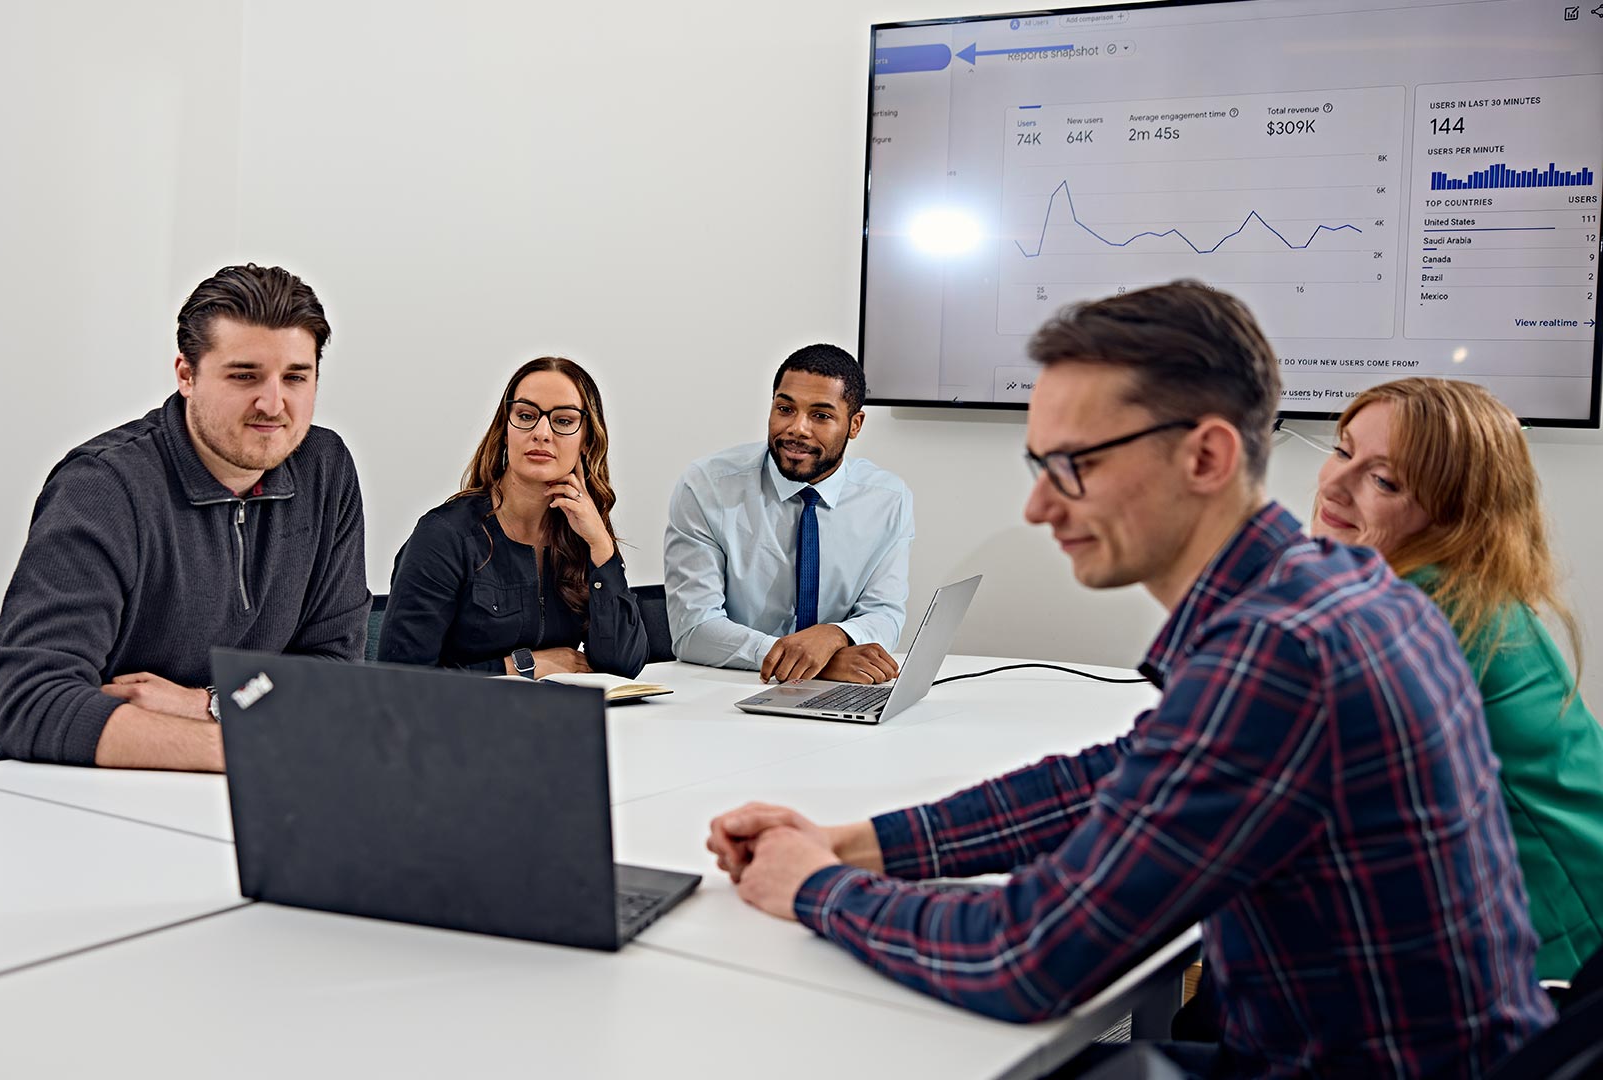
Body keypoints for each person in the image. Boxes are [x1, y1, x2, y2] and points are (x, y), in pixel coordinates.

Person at [706, 282, 1551, 1076]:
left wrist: (818, 887)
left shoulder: (1284, 653)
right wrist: (855, 842)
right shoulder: (1331, 593)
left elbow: (1025, 957)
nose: (1038, 509)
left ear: (1207, 456)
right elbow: (1111, 781)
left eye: (1074, 465)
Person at [0, 264, 370, 772]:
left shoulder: (325, 468)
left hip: (189, 782)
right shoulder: (103, 486)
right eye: (244, 376)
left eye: (295, 377)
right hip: (21, 783)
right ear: (187, 375)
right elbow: (34, 702)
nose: (273, 403)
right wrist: (253, 747)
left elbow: (330, 674)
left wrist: (207, 704)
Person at [1313, 377, 1603, 982]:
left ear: (1455, 517)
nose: (1334, 484)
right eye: (1343, 451)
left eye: (1383, 480)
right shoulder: (1447, 591)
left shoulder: (1419, 613)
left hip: (1550, 966)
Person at [378, 358, 647, 679]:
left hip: (560, 720)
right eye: (526, 416)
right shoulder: (444, 535)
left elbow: (624, 666)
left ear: (586, 441)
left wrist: (601, 545)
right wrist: (523, 666)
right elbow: (403, 680)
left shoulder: (581, 534)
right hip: (463, 723)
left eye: (563, 421)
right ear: (505, 430)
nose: (541, 433)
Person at [664, 344, 913, 685]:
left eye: (821, 416)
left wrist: (835, 635)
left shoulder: (887, 499)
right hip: (732, 691)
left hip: (840, 693)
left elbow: (885, 614)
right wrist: (812, 662)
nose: (798, 429)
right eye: (785, 408)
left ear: (855, 425)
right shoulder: (707, 487)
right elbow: (693, 629)